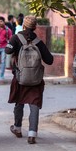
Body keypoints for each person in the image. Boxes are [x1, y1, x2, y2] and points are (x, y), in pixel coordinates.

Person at [5, 15, 54, 144]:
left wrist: (12, 44)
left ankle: (17, 128)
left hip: (20, 76)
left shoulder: (16, 38)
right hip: (36, 79)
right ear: (35, 27)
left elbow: (7, 51)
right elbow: (49, 60)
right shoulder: (38, 41)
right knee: (34, 105)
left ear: (24, 26)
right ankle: (32, 134)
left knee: (19, 102)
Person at [0, 16, 12, 80]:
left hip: (4, 47)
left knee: (3, 62)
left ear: (4, 22)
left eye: (1, 21)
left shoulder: (8, 30)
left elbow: (10, 39)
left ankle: (1, 75)